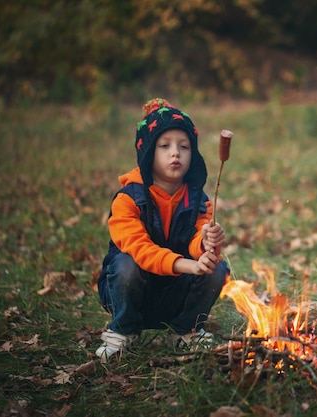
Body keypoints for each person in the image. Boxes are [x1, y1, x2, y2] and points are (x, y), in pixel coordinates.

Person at [96, 98, 228, 362]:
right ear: (147, 154)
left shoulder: (198, 199)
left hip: (176, 292)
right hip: (135, 291)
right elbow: (141, 250)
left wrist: (204, 244)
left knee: (218, 269)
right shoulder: (128, 199)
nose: (175, 153)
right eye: (164, 146)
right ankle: (124, 330)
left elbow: (197, 237)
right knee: (125, 265)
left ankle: (185, 329)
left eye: (184, 146)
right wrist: (187, 265)